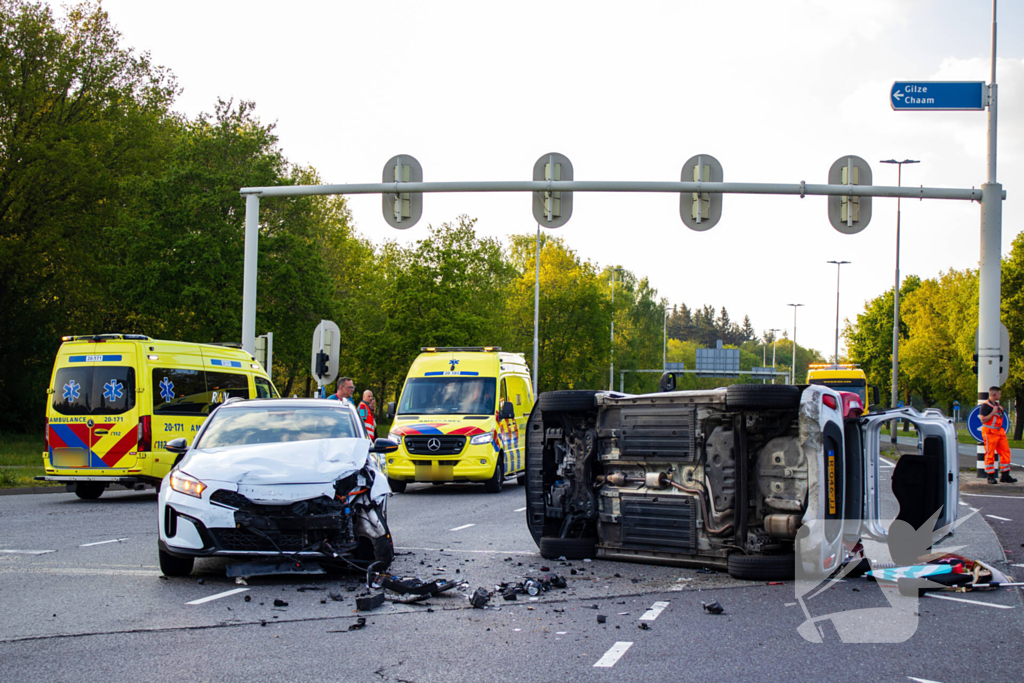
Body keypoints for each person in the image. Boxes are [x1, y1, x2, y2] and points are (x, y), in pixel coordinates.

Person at [980, 385, 1017, 485]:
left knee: (1005, 452)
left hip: (999, 432)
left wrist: (1000, 409)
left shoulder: (997, 405)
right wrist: (993, 412)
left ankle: (1005, 475)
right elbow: (983, 419)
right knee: (990, 454)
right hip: (989, 432)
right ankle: (990, 476)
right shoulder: (985, 406)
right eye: (999, 394)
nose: (1000, 396)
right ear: (994, 394)